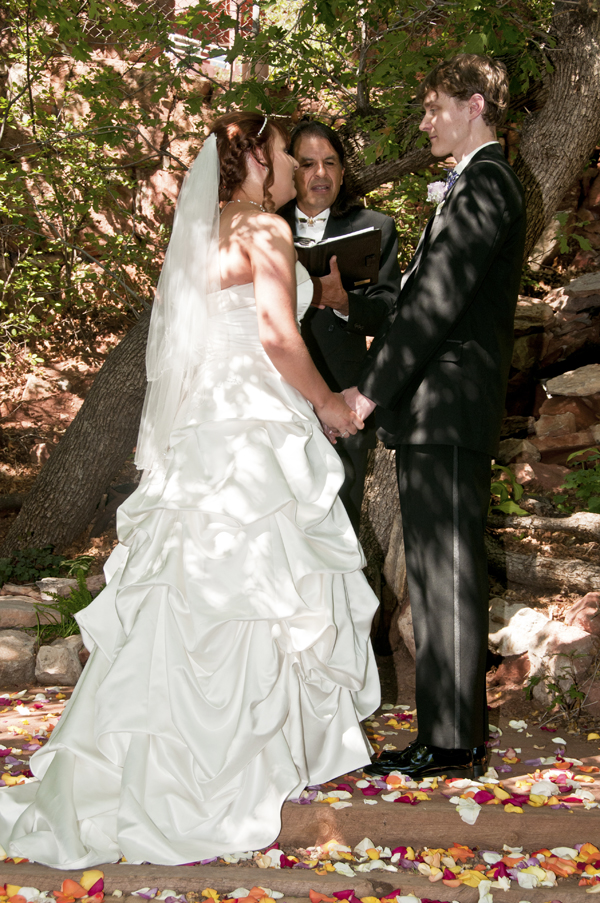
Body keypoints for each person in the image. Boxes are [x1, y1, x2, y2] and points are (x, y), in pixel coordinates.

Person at [0, 112, 380, 867]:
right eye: (279, 154)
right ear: (251, 160)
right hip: (253, 419)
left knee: (187, 589)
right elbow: (276, 336)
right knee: (265, 583)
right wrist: (331, 404)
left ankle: (144, 756)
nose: (289, 167)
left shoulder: (201, 234)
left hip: (206, 422)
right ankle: (239, 759)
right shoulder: (266, 231)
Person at [344, 55, 526, 780]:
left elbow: (436, 305)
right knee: (433, 572)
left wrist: (367, 392)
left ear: (473, 104)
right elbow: (415, 300)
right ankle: (445, 735)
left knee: (446, 576)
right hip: (435, 413)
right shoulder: (471, 185)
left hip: (447, 409)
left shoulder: (486, 183)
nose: (423, 123)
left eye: (431, 107)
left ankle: (452, 743)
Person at [278, 121, 402, 532]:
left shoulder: (375, 227)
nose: (321, 174)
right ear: (290, 170)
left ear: (343, 171)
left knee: (338, 513)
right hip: (276, 390)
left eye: (330, 163)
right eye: (309, 163)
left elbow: (390, 309)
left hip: (345, 392)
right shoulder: (264, 226)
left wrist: (343, 302)